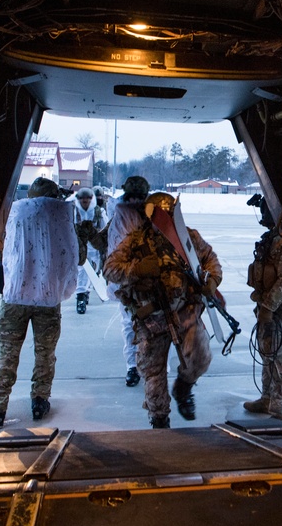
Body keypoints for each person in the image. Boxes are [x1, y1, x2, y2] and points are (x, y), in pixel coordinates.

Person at [104, 192, 222, 428]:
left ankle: (184, 387)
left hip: (185, 310)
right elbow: (110, 269)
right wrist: (137, 270)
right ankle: (159, 420)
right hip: (152, 317)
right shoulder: (136, 241)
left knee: (200, 357)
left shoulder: (189, 238)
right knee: (153, 375)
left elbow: (210, 261)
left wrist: (212, 280)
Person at [0, 177, 78, 428]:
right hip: (48, 298)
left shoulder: (16, 212)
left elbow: (2, 249)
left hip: (15, 296)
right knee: (45, 354)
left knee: (7, 354)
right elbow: (73, 257)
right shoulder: (62, 215)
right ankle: (39, 401)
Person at [243, 195, 282, 422]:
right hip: (267, 309)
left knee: (279, 359)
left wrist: (268, 308)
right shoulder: (272, 240)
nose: (263, 214)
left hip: (279, 312)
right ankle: (267, 399)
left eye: (266, 210)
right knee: (267, 355)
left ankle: (280, 409)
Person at [106, 175, 151, 388]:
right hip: (130, 281)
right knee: (131, 325)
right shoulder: (120, 216)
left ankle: (145, 365)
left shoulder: (152, 215)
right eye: (132, 197)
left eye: (139, 197)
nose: (135, 201)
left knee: (148, 325)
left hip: (146, 281)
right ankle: (134, 366)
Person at [73, 186, 108, 314]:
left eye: (88, 198)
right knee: (83, 270)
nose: (85, 201)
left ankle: (85, 292)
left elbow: (105, 227)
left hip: (94, 247)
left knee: (92, 271)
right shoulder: (74, 211)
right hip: (80, 246)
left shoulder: (98, 211)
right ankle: (81, 296)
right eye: (82, 198)